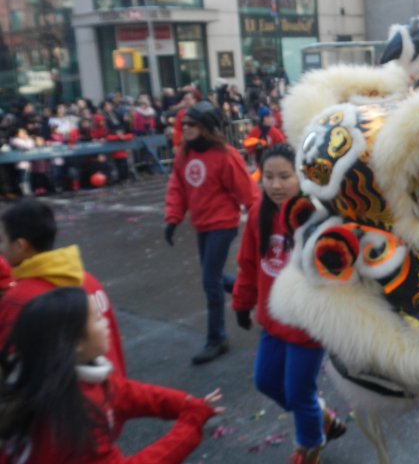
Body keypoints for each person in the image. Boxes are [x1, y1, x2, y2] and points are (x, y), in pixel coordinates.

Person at [0, 288, 222, 463]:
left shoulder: (48, 379)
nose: (106, 322)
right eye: (97, 319)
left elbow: (126, 393)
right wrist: (190, 425)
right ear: (75, 343)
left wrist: (185, 404)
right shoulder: (76, 415)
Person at [232, 145, 346, 464]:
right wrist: (242, 304)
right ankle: (319, 414)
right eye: (268, 177)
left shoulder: (317, 215)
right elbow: (248, 264)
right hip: (273, 321)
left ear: (302, 176)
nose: (276, 185)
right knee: (265, 381)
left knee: (298, 392)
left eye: (285, 176)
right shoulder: (259, 212)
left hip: (307, 324)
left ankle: (309, 446)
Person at [164, 101, 256, 364]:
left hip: (223, 224)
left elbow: (248, 193)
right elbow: (177, 188)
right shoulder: (185, 155)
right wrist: (172, 219)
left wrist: (262, 222)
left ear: (206, 127)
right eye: (184, 124)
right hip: (202, 224)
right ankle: (249, 291)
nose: (185, 128)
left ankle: (217, 338)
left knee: (209, 280)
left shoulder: (226, 156)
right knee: (212, 275)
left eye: (191, 124)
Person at [0, 200, 127, 376]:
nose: (1, 250)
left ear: (20, 245)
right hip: (112, 388)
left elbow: (12, 365)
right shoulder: (88, 280)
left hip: (65, 399)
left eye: (2, 241)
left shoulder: (19, 299)